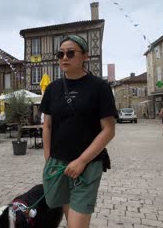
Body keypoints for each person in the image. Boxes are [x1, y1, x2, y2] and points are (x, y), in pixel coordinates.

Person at [40, 35, 116, 228]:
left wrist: (82, 161)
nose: (64, 57)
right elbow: (47, 125)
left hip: (87, 166)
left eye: (71, 53)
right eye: (60, 53)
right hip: (58, 165)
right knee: (69, 217)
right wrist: (48, 159)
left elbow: (108, 130)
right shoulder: (52, 88)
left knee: (77, 224)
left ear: (85, 56)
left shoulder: (100, 87)